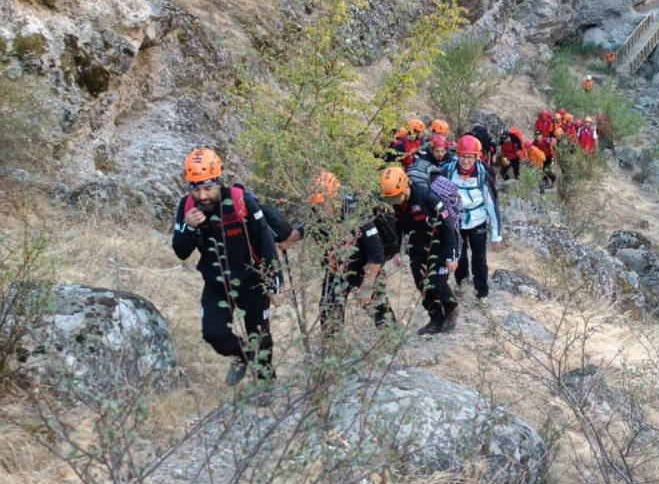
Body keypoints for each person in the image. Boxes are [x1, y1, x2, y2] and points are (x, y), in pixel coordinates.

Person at [172, 147, 283, 386]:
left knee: (259, 336)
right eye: (196, 188)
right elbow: (181, 252)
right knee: (214, 334)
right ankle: (243, 356)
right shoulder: (186, 208)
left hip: (251, 278)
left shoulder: (242, 201)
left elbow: (265, 242)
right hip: (216, 281)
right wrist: (188, 227)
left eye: (207, 187)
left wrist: (275, 283)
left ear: (218, 181)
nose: (202, 195)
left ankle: (266, 385)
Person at [279, 171, 397, 334]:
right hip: (335, 270)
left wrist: (367, 285)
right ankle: (332, 348)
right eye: (315, 205)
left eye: (322, 204)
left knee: (377, 306)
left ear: (334, 198)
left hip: (364, 268)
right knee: (329, 311)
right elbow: (306, 227)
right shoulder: (316, 211)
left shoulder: (355, 212)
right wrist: (287, 239)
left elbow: (376, 253)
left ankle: (392, 337)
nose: (318, 209)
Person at [379, 165, 460, 336]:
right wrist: (396, 251)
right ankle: (435, 318)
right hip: (416, 248)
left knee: (437, 283)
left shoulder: (427, 197)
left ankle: (451, 309)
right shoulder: (397, 206)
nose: (394, 203)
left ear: (404, 188)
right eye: (390, 199)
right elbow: (398, 228)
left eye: (395, 198)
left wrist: (452, 255)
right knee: (422, 286)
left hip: (439, 245)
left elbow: (448, 226)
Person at [443, 135, 501, 301]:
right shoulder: (448, 171)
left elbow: (492, 204)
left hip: (477, 220)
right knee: (459, 255)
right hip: (456, 221)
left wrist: (497, 235)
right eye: (463, 156)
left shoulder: (484, 174)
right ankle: (460, 282)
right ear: (457, 155)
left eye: (470, 157)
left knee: (479, 258)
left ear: (476, 157)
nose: (466, 161)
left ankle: (481, 292)